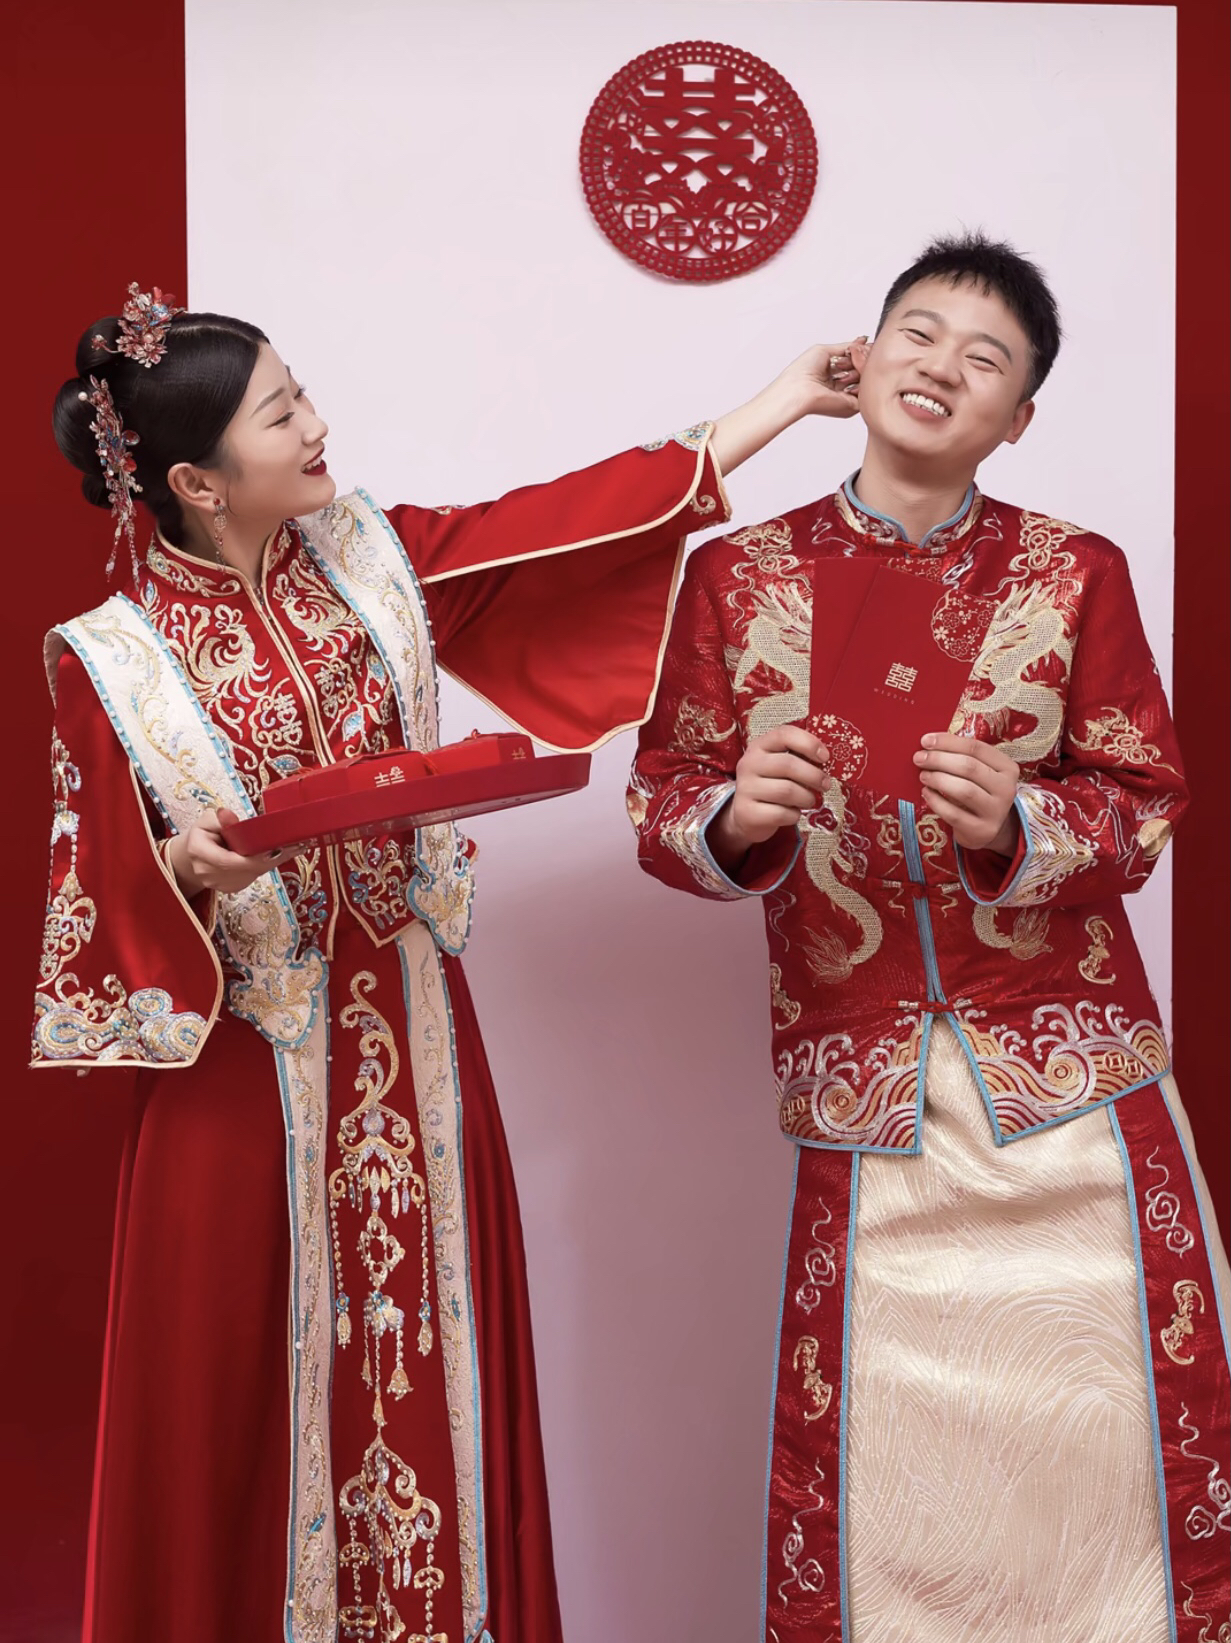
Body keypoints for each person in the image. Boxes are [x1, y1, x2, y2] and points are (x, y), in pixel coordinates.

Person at [33, 284, 864, 1643]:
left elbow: (571, 524)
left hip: (418, 1048)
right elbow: (93, 899)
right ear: (195, 479)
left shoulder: (373, 558)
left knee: (439, 1356)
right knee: (248, 1401)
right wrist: (189, 868)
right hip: (247, 1087)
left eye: (302, 391)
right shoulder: (109, 660)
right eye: (280, 413)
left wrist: (782, 401)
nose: (316, 424)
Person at [629, 234, 1230, 1642]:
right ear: (865, 357)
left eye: (986, 359)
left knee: (1116, 1446)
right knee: (890, 1475)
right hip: (867, 1093)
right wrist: (736, 816)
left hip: (1075, 1093)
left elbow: (1148, 800)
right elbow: (661, 801)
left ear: (1018, 419)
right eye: (920, 332)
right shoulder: (736, 577)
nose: (943, 367)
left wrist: (1023, 821)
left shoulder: (1075, 573)